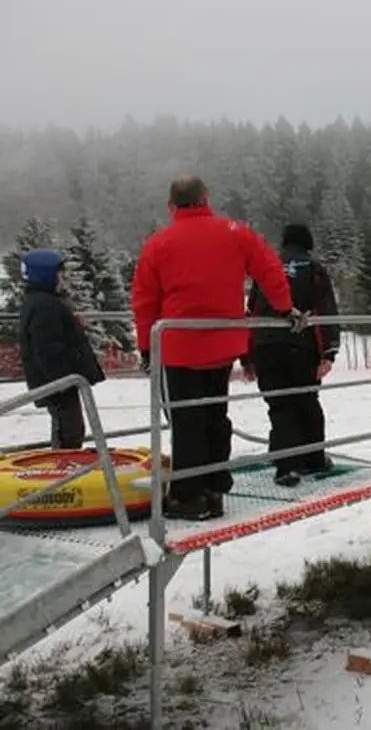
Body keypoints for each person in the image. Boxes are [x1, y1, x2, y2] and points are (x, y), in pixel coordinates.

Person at [132, 175, 299, 521]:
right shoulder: (235, 232)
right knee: (214, 414)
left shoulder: (159, 243)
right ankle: (215, 485)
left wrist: (147, 347)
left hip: (177, 345)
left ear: (171, 205)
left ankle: (189, 495)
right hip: (224, 342)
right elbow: (269, 268)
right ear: (206, 198)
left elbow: (145, 301)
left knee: (186, 419)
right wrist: (284, 307)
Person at [243, 224, 340, 488]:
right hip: (301, 346)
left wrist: (247, 354)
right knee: (306, 400)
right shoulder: (314, 269)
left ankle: (286, 463)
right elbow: (325, 310)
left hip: (265, 345)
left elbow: (252, 311)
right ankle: (312, 458)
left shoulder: (267, 267)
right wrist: (329, 351)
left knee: (280, 405)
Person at [17, 249, 106, 449]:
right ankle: (64, 466)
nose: (63, 280)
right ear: (46, 276)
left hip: (61, 380)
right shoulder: (44, 306)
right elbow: (47, 347)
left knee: (71, 427)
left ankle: (66, 461)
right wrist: (63, 381)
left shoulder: (45, 302)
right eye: (60, 275)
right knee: (69, 430)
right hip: (58, 382)